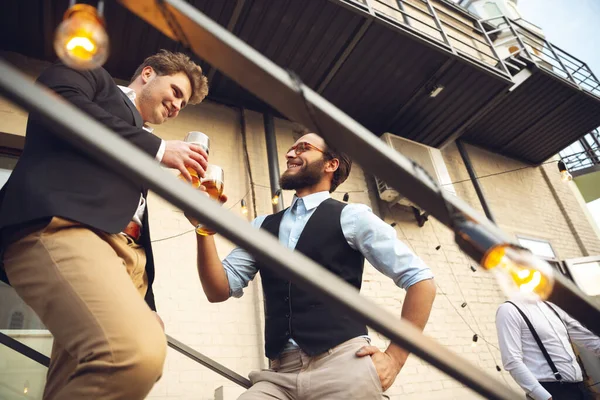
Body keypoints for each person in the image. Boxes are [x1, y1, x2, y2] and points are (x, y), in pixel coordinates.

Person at [0, 50, 209, 400]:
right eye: (175, 92)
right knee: (132, 355)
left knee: (76, 378)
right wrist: (157, 149)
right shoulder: (93, 78)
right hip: (67, 230)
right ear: (147, 74)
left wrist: (148, 305)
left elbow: (136, 223)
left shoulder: (141, 142)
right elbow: (58, 103)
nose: (176, 106)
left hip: (127, 261)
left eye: (183, 104)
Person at [188, 132, 436, 399]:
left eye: (303, 148)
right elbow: (218, 290)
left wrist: (394, 359)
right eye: (291, 148)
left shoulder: (352, 216)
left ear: (331, 164)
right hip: (279, 375)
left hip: (342, 365)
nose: (290, 153)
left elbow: (421, 281)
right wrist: (204, 229)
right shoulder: (262, 226)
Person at [496, 299, 600, 400]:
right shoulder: (509, 310)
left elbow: (588, 338)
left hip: (581, 389)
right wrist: (543, 396)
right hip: (551, 391)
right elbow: (512, 361)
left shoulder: (552, 307)